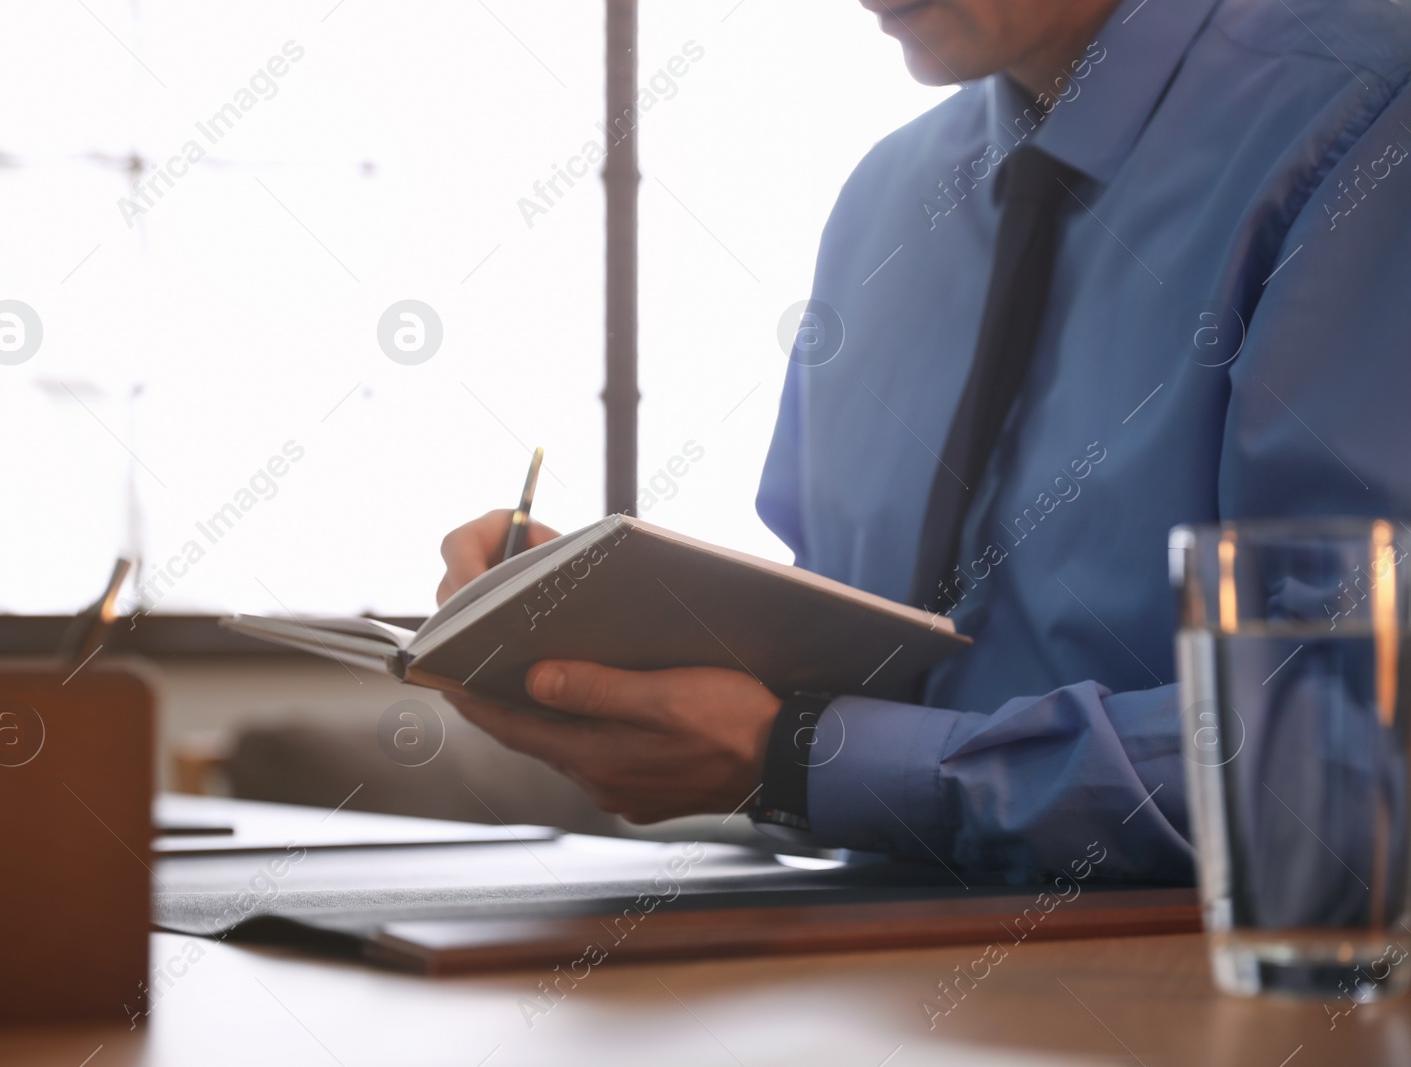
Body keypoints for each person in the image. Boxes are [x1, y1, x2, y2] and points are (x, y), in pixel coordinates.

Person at [437, 0, 1411, 884]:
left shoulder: (1375, 120)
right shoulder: (885, 200)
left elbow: (1349, 751)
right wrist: (619, 630)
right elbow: (841, 640)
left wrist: (801, 756)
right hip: (858, 987)